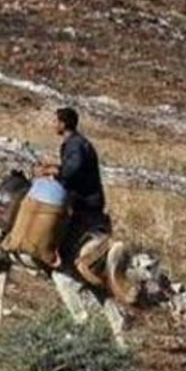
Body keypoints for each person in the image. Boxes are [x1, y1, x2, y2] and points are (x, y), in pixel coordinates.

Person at [35, 107, 111, 280]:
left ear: (63, 124)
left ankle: (56, 259)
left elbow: (73, 170)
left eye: (55, 122)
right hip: (84, 197)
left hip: (84, 200)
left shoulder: (75, 144)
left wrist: (53, 171)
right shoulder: (75, 142)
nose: (53, 125)